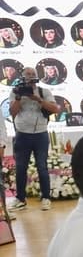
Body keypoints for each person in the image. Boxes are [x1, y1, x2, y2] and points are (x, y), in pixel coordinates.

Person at [9, 67, 60, 211]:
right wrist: (19, 97)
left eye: (33, 74)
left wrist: (38, 99)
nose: (30, 77)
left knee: (42, 167)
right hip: (22, 135)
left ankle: (46, 198)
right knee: (21, 168)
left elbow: (55, 109)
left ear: (37, 77)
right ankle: (20, 199)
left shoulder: (44, 92)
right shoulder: (15, 92)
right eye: (28, 74)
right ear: (22, 77)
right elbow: (12, 112)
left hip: (40, 134)